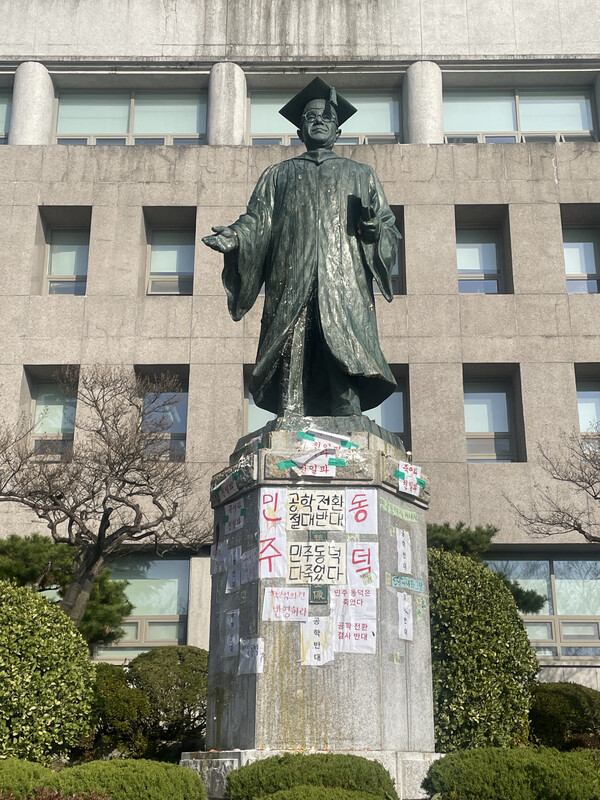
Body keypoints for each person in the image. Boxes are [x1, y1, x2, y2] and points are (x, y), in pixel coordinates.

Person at [203, 77, 401, 418]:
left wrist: (373, 229)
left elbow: (387, 227)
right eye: (311, 117)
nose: (319, 121)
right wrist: (236, 237)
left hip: (343, 275)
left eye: (326, 118)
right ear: (300, 131)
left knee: (343, 333)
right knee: (293, 337)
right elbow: (258, 219)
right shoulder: (278, 174)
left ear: (338, 131)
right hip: (291, 272)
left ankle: (346, 403)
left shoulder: (360, 174)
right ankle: (290, 404)